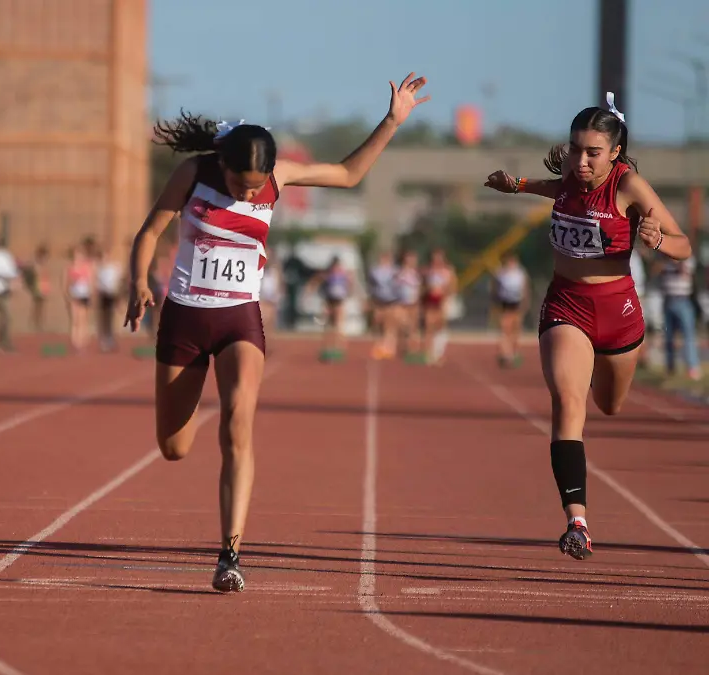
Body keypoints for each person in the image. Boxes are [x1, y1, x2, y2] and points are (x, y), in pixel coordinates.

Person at [124, 72, 429, 592]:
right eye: (240, 184)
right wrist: (138, 282)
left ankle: (230, 554)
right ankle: (195, 417)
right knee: (173, 447)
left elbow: (348, 174)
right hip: (185, 317)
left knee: (238, 425)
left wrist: (391, 121)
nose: (248, 193)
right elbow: (150, 231)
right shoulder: (194, 173)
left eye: (255, 186)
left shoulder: (277, 177)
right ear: (223, 163)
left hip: (239, 319)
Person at [484, 93, 692, 561]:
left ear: (615, 152)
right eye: (575, 149)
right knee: (567, 400)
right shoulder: (569, 176)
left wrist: (658, 239)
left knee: (609, 405)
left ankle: (595, 369)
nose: (580, 161)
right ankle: (577, 522)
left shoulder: (629, 186)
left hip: (619, 314)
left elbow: (684, 245)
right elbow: (553, 188)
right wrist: (515, 185)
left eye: (592, 153)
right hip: (567, 306)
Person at [491, 253, 530, 368]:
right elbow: (495, 288)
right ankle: (505, 353)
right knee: (505, 328)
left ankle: (515, 352)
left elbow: (525, 288)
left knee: (516, 328)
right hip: (505, 303)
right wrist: (495, 302)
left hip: (516, 303)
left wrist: (525, 302)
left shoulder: (520, 273)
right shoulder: (500, 273)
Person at [420, 248, 456, 366]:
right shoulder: (427, 271)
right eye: (435, 258)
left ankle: (439, 353)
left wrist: (445, 294)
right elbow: (422, 286)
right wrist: (428, 290)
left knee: (440, 327)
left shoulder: (448, 271)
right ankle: (428, 354)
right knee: (429, 327)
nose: (437, 260)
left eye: (439, 258)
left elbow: (453, 286)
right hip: (430, 302)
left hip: (442, 302)